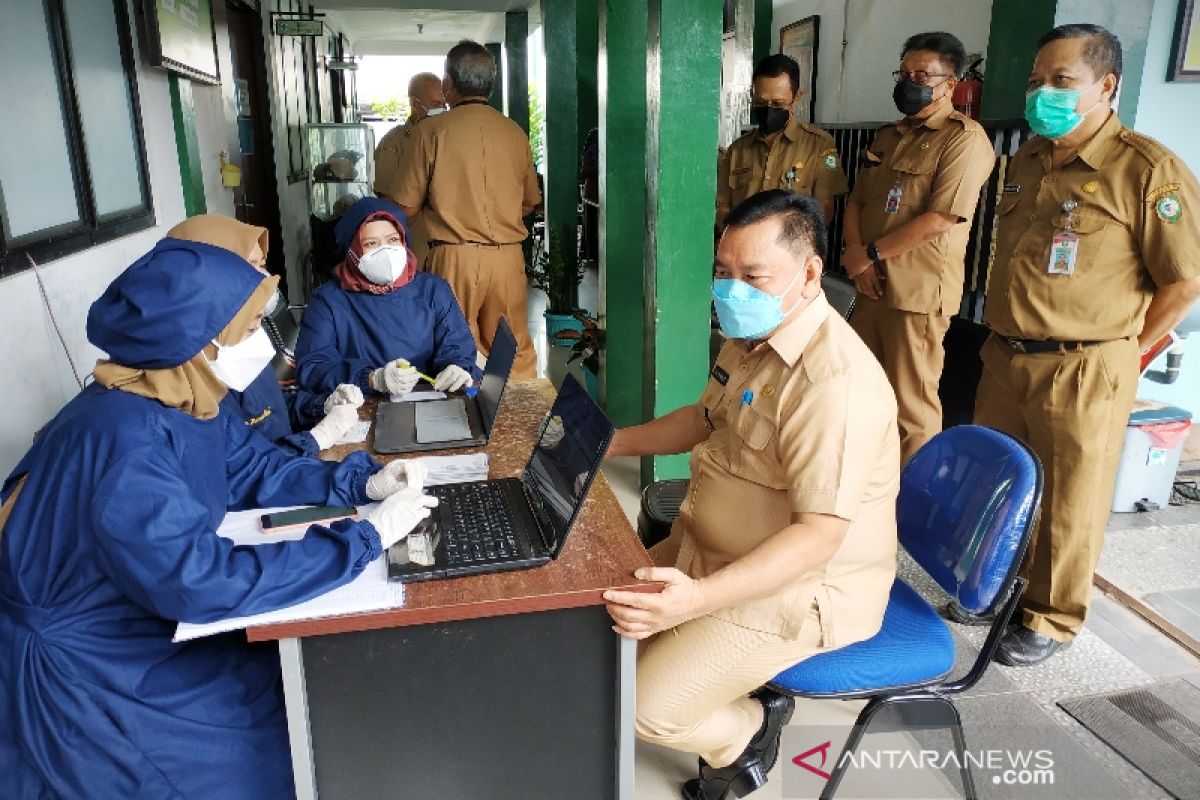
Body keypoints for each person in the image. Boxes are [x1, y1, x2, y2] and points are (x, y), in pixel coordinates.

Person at [0, 237, 441, 798]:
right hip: (93, 672)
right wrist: (363, 538)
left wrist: (359, 481)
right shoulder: (124, 440)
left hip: (141, 620)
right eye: (252, 324)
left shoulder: (183, 397)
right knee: (263, 762)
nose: (262, 340)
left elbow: (252, 469)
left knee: (292, 694)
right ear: (202, 338)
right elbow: (200, 580)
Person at [603, 191, 900, 799]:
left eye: (751, 276)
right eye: (723, 273)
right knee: (595, 620)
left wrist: (697, 601)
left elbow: (819, 535)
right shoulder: (758, 334)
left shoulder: (834, 384)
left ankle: (749, 730)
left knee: (646, 707)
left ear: (809, 273)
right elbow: (702, 419)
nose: (731, 290)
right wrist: (605, 445)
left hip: (799, 591)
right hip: (710, 553)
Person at [963, 23, 1200, 666]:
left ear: (1108, 86)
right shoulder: (1029, 160)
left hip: (1085, 365)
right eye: (1037, 82)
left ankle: (1051, 617)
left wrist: (1127, 353)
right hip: (1005, 353)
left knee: (1071, 498)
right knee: (1001, 483)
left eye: (1062, 82)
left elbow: (1183, 283)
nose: (1044, 94)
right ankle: (995, 588)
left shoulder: (1146, 170)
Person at [841, 31, 995, 463]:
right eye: (905, 73)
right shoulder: (889, 135)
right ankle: (866, 487)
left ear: (951, 83)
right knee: (861, 389)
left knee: (912, 406)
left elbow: (940, 218)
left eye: (922, 74)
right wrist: (856, 257)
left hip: (917, 294)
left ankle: (910, 509)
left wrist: (868, 255)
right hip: (869, 285)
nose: (910, 81)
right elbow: (857, 200)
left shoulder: (964, 139)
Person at [385, 39, 542, 379]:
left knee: (450, 353)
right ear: (490, 84)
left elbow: (405, 206)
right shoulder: (514, 133)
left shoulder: (431, 131)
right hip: (507, 259)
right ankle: (521, 425)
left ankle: (459, 427)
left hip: (453, 258)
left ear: (448, 84)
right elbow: (531, 201)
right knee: (513, 353)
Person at [168, 214, 364, 457]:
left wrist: (321, 405)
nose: (265, 280)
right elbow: (243, 474)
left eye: (261, 264)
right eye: (248, 266)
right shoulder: (183, 379)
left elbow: (269, 411)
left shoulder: (245, 341)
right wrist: (314, 439)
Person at [295, 197, 479, 400]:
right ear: (352, 251)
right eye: (371, 243)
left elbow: (457, 343)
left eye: (393, 240)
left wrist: (457, 366)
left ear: (404, 241)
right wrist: (373, 379)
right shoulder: (327, 301)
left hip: (432, 398)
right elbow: (313, 368)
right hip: (364, 405)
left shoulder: (432, 289)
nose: (386, 251)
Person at [716, 54, 848, 227]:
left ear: (796, 98)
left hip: (791, 249)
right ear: (752, 94)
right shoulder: (737, 151)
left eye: (778, 104)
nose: (769, 109)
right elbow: (723, 208)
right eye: (761, 102)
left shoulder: (818, 146)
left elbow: (824, 209)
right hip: (745, 248)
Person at [374, 72, 446, 269]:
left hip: (449, 247)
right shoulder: (394, 142)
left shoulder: (449, 136)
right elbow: (388, 199)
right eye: (435, 104)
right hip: (414, 243)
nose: (441, 109)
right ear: (415, 103)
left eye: (444, 104)